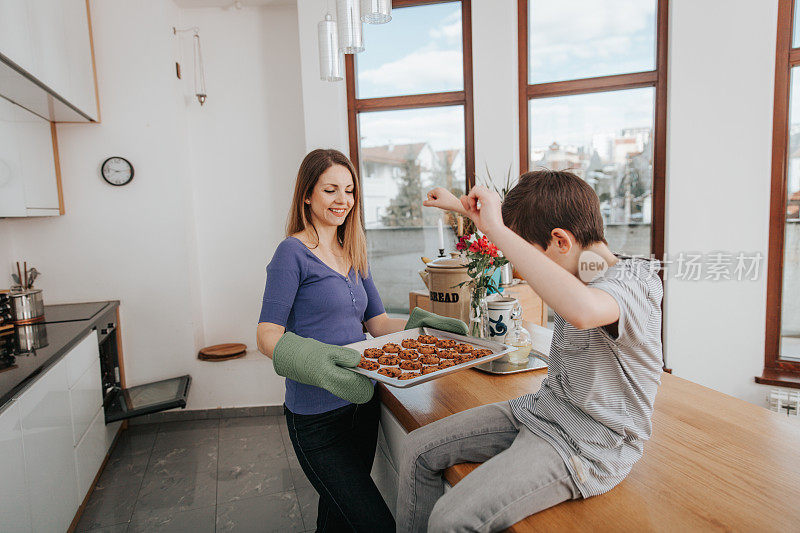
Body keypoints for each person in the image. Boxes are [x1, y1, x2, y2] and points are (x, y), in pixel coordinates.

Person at [396, 170, 664, 532]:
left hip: (587, 444)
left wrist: (498, 231)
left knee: (449, 519)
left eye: (530, 258)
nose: (526, 274)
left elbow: (584, 311)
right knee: (417, 449)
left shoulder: (634, 282)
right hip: (541, 410)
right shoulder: (577, 270)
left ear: (560, 241)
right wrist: (467, 212)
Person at [255, 148, 466, 533]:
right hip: (315, 419)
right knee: (374, 523)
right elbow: (267, 334)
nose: (343, 201)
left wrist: (427, 325)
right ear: (307, 194)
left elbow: (379, 322)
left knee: (337, 517)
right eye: (331, 190)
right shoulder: (292, 253)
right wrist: (317, 359)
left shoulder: (354, 249)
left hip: (361, 404)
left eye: (349, 191)